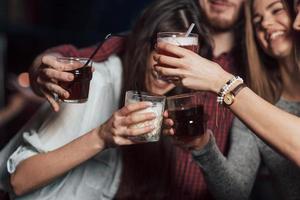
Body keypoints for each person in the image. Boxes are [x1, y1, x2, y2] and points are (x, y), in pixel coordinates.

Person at [27, 0, 247, 199]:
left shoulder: (247, 74)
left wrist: (204, 146)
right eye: (163, 55)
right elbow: (68, 58)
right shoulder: (161, 34)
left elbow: (238, 193)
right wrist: (42, 71)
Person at [155, 0, 300, 199]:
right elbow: (236, 194)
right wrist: (202, 146)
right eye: (257, 22)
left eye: (276, 10)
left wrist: (221, 82)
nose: (266, 23)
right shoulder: (253, 101)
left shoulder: (240, 97)